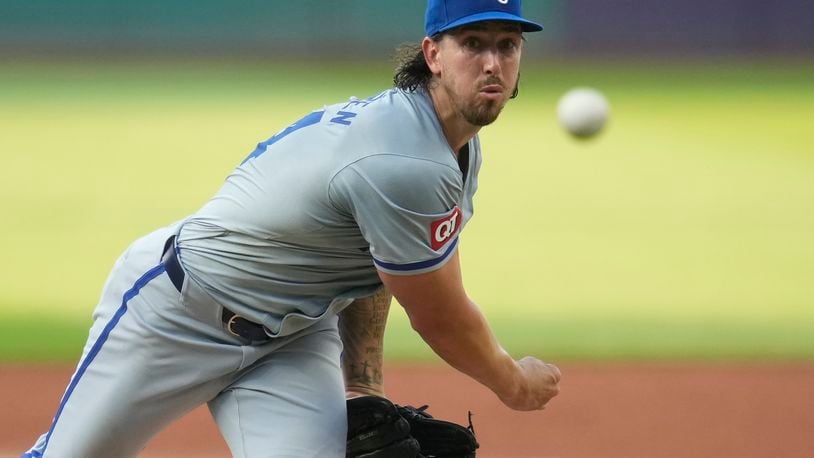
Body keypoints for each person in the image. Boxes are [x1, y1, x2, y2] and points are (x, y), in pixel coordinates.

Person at [24, 0, 561, 456]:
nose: (492, 62)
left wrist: (362, 388)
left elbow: (377, 266)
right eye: (473, 43)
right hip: (176, 315)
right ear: (433, 55)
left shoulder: (453, 144)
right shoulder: (407, 159)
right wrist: (512, 382)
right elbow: (439, 317)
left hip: (290, 342)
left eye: (507, 45)